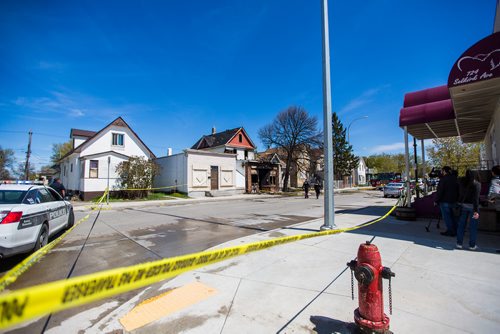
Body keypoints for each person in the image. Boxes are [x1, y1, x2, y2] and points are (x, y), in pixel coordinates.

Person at [456, 170, 481, 250]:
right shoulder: (477, 184)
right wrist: (476, 210)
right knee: (473, 227)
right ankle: (472, 245)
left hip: (463, 206)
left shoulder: (462, 182)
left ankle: (459, 243)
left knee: (461, 226)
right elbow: (476, 198)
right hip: (473, 207)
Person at [434, 166, 459, 236]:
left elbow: (440, 191)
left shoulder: (443, 179)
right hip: (454, 200)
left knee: (447, 217)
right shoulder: (455, 178)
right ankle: (456, 230)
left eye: (442, 171)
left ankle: (450, 230)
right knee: (453, 216)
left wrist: (436, 200)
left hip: (445, 201)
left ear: (444, 171)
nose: (441, 172)